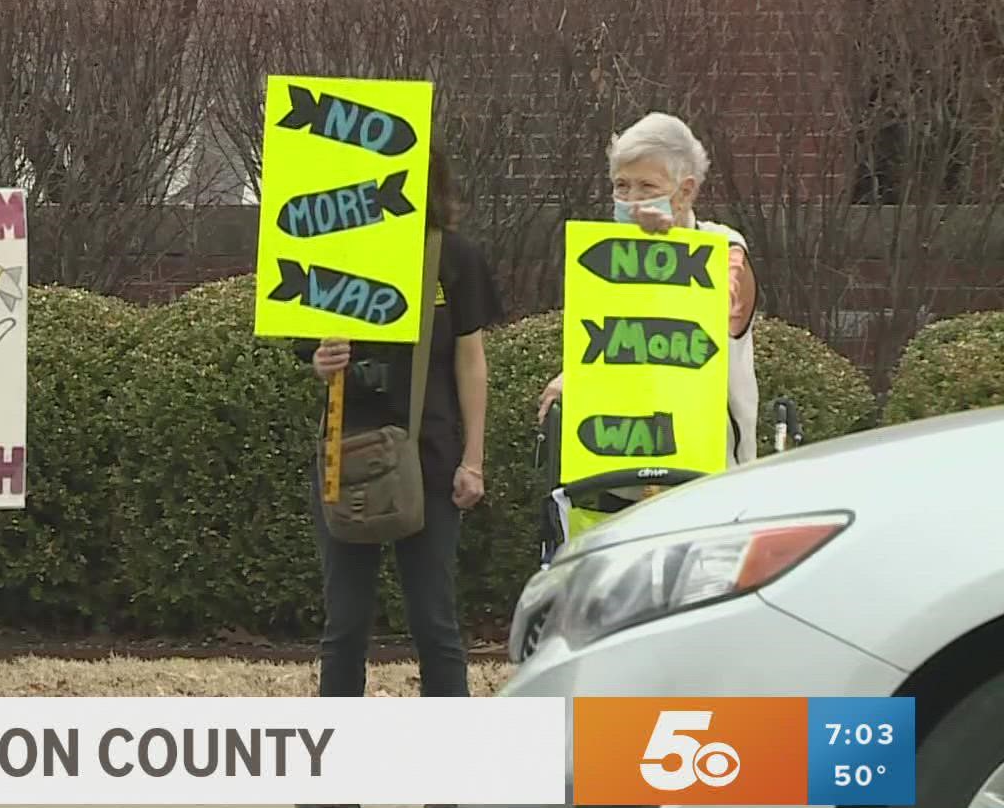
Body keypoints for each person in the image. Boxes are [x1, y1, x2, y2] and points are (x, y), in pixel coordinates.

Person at [301, 156, 500, 713]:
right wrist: (322, 358)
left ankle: (445, 781)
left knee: (435, 621)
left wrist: (474, 459)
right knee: (344, 626)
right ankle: (332, 787)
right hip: (348, 456)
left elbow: (471, 361)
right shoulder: (332, 257)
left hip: (431, 460)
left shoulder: (451, 258)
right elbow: (302, 343)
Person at [536, 111, 759, 466]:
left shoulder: (724, 245)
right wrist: (573, 377)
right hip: (616, 469)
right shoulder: (603, 260)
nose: (631, 199)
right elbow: (608, 343)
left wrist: (673, 249)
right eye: (621, 186)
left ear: (685, 191)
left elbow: (727, 304)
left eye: (647, 187)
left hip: (705, 473)